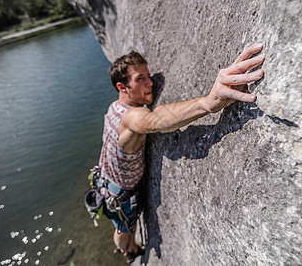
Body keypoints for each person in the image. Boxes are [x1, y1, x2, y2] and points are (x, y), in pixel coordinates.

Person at [97, 43, 265, 263]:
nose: (150, 83)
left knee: (126, 224)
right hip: (120, 193)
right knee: (124, 229)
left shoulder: (113, 107)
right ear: (122, 87)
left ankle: (130, 247)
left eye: (149, 76)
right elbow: (153, 120)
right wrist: (208, 102)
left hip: (107, 182)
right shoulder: (131, 118)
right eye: (140, 79)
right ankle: (129, 251)